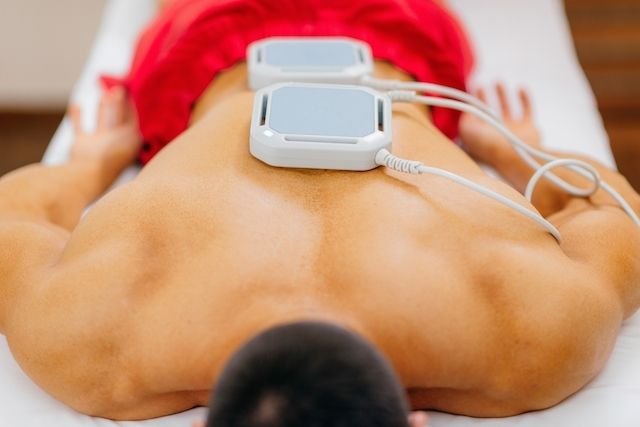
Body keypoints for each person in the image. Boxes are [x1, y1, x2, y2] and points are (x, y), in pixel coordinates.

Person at [1, 0, 640, 425]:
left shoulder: (532, 337)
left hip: (391, 39)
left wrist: (515, 153)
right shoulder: (90, 342)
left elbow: (613, 213)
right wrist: (511, 151)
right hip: (218, 44)